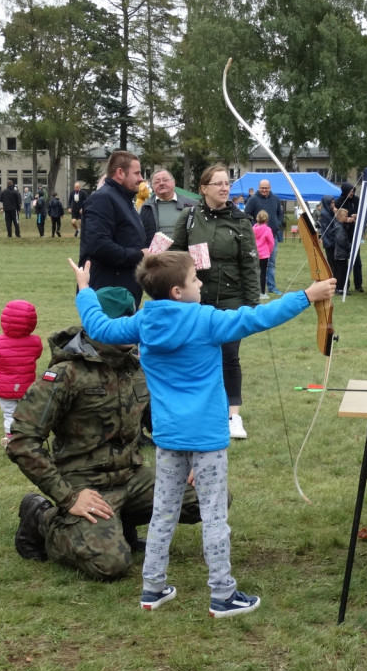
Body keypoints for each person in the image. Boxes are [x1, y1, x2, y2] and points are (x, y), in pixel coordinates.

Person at [70, 250, 336, 616]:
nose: (200, 283)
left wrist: (85, 290)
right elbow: (258, 317)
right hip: (206, 439)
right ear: (177, 292)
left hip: (168, 437)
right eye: (195, 279)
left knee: (163, 512)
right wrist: (307, 296)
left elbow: (100, 327)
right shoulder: (206, 320)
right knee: (214, 516)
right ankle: (223, 595)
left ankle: (152, 588)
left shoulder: (143, 322)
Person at [6, 285, 202, 581]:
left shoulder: (138, 367)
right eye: (122, 321)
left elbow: (161, 423)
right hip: (84, 484)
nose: (132, 326)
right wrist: (68, 497)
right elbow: (22, 441)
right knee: (110, 565)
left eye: (132, 318)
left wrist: (191, 458)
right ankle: (41, 517)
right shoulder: (66, 374)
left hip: (131, 477)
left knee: (207, 495)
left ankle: (119, 522)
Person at [171, 164, 259, 440]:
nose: (224, 188)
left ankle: (233, 416)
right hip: (196, 299)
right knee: (196, 354)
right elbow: (175, 253)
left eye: (227, 183)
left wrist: (251, 305)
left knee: (229, 355)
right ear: (204, 188)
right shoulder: (189, 217)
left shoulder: (241, 220)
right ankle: (201, 412)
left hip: (232, 299)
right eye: (218, 183)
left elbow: (250, 265)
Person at [78, 150, 148, 306]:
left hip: (122, 293)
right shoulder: (102, 198)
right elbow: (99, 246)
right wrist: (139, 255)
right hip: (109, 295)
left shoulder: (124, 200)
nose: (141, 179)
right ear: (120, 173)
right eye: (137, 173)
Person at [0, 300, 42, 446]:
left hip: (4, 388)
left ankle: (11, 440)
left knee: (9, 414)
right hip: (26, 387)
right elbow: (36, 355)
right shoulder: (35, 342)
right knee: (25, 413)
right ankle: (26, 437)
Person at [245, 179, 284, 295]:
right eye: (262, 188)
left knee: (271, 263)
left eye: (266, 188)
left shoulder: (275, 199)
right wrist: (256, 226)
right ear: (259, 188)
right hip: (258, 239)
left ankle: (272, 287)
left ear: (270, 188)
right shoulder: (253, 200)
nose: (264, 190)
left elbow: (280, 213)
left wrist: (278, 223)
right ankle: (257, 287)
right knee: (257, 265)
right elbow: (246, 215)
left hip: (272, 236)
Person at [140, 168, 193, 243]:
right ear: (152, 186)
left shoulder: (191, 205)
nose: (161, 183)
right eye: (157, 182)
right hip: (155, 250)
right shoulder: (145, 208)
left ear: (174, 182)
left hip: (184, 250)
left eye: (165, 180)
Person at [337, 183, 363, 292]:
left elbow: (361, 211)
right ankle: (344, 285)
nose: (352, 193)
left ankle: (358, 284)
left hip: (354, 233)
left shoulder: (356, 200)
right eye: (350, 191)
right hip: (343, 234)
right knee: (343, 263)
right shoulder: (339, 201)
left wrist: (356, 215)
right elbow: (338, 217)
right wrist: (347, 219)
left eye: (353, 191)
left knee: (357, 261)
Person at [253, 209, 275, 300]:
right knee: (263, 273)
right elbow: (271, 242)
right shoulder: (267, 229)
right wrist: (269, 251)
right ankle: (262, 292)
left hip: (254, 254)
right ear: (266, 219)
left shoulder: (253, 229)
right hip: (264, 255)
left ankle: (254, 291)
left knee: (255, 273)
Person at [330, 207, 351, 292]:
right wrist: (349, 246)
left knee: (341, 270)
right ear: (341, 217)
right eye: (346, 216)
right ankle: (340, 288)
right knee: (342, 271)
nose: (347, 217)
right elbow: (341, 240)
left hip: (340, 252)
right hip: (340, 253)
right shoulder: (339, 228)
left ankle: (340, 287)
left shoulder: (339, 226)